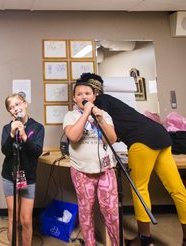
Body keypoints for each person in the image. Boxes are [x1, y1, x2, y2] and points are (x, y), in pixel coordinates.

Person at [78, 72, 186, 246]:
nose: (83, 97)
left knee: (140, 189)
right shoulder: (112, 101)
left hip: (142, 141)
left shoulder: (99, 103)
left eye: (85, 93)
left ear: (92, 93)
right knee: (177, 188)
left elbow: (103, 134)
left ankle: (144, 239)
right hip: (161, 136)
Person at [62, 79, 120, 246]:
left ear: (94, 96)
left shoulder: (104, 114)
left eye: (87, 93)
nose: (83, 96)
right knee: (86, 211)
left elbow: (113, 139)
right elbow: (73, 137)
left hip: (106, 169)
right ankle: (89, 243)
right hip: (81, 171)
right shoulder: (70, 116)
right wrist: (86, 114)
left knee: (111, 211)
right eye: (79, 94)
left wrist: (100, 119)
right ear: (74, 98)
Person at [1, 93, 44, 246]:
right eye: (11, 108)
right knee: (13, 216)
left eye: (18, 104)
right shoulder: (7, 128)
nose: (15, 109)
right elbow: (5, 151)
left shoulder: (38, 128)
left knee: (26, 220)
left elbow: (36, 152)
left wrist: (25, 136)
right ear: (10, 112)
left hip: (28, 177)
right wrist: (12, 134)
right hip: (9, 176)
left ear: (25, 104)